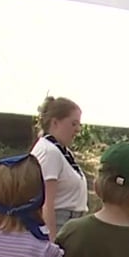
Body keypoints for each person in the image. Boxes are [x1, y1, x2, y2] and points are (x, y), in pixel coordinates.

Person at [31, 96, 90, 240]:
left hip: (71, 223)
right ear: (55, 122)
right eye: (73, 124)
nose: (77, 130)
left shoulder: (61, 151)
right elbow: (46, 203)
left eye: (79, 125)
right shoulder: (49, 152)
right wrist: (51, 242)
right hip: (59, 224)